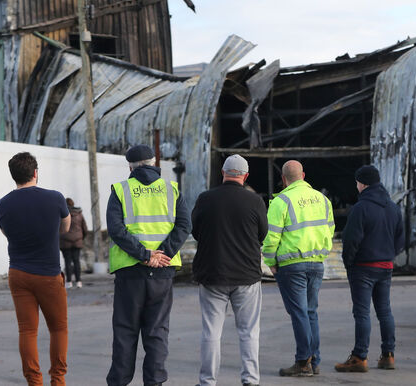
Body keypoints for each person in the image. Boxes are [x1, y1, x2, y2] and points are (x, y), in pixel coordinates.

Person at [106, 144, 190, 386]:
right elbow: (184, 225)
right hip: (163, 271)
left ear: (130, 167)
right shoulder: (171, 189)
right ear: (155, 163)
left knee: (125, 331)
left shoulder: (121, 190)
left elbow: (116, 229)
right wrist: (162, 254)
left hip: (130, 271)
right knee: (157, 331)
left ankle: (119, 382)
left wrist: (144, 255)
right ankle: (154, 382)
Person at [191, 155, 268, 386]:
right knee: (249, 332)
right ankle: (250, 380)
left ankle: (207, 381)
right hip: (247, 276)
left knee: (211, 332)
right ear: (246, 176)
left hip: (212, 274)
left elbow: (196, 231)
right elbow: (262, 234)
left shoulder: (205, 199)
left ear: (223, 173)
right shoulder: (255, 201)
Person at [0, 152, 71, 386]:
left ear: (13, 176)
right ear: (35, 172)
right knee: (58, 329)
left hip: (18, 273)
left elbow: (6, 233)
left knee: (27, 331)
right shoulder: (55, 198)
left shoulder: (2, 204)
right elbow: (65, 228)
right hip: (48, 274)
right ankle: (58, 380)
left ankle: (34, 381)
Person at [262, 160, 334, 377]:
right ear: (303, 175)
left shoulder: (281, 201)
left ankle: (303, 362)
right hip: (317, 263)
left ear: (284, 179)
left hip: (291, 265)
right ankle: (314, 361)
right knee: (310, 312)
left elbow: (271, 237)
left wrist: (270, 262)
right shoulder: (323, 199)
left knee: (299, 313)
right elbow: (330, 230)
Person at [335, 165, 404, 373]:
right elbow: (400, 239)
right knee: (385, 311)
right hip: (386, 266)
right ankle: (388, 355)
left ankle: (359, 357)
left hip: (363, 267)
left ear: (363, 183)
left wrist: (349, 263)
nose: (356, 186)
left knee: (362, 313)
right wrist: (389, 255)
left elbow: (351, 240)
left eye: (357, 182)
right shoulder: (393, 207)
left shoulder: (360, 208)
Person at [60, 197, 88, 289]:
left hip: (65, 242)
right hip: (77, 241)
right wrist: (81, 238)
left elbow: (58, 228)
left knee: (67, 261)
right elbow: (85, 228)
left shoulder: (62, 214)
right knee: (76, 261)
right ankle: (79, 281)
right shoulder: (79, 214)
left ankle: (69, 282)